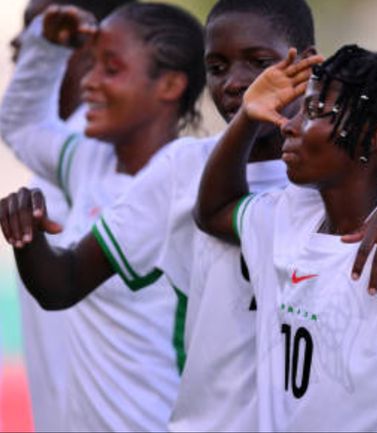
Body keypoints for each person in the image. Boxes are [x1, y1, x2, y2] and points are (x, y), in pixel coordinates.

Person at [0, 0, 377, 430]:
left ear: (306, 61)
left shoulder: (357, 165)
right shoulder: (187, 171)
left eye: (258, 62)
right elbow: (62, 283)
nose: (237, 83)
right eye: (217, 67)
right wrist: (27, 236)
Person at [195, 44, 377, 432]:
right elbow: (213, 210)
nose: (289, 125)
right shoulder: (287, 216)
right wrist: (247, 117)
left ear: (370, 138)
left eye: (314, 112)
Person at [0, 3, 205, 430]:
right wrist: (46, 48)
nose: (88, 81)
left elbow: (60, 285)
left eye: (110, 69)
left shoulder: (192, 185)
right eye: (90, 64)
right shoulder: (89, 161)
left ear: (170, 84)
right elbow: (20, 126)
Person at [7, 2, 133, 430]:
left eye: (43, 30)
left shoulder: (107, 153)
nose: (20, 42)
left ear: (87, 44)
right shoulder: (60, 153)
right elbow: (18, 123)